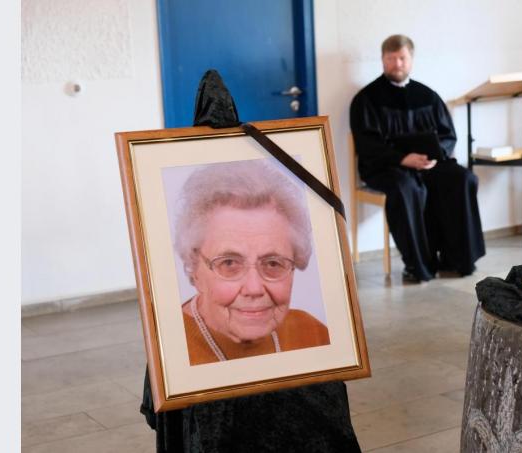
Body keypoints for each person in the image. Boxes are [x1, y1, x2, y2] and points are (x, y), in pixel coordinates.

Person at [350, 34, 486, 282]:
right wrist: (403, 159)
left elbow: (448, 136)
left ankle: (457, 259)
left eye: (402, 58)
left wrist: (437, 157)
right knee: (406, 188)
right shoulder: (367, 99)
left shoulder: (428, 96)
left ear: (411, 59)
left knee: (462, 179)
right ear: (382, 60)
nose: (397, 64)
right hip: (387, 167)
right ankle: (418, 265)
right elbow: (367, 143)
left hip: (429, 164)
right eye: (391, 59)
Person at [173, 158, 330, 365]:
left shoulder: (313, 335)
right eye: (229, 263)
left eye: (273, 263)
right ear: (194, 268)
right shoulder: (172, 350)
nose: (254, 288)